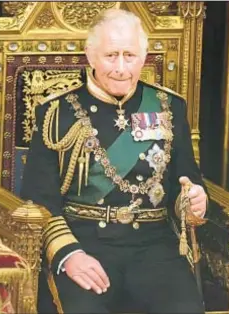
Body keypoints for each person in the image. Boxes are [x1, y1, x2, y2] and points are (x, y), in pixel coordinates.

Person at [21, 8, 208, 314]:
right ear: (90, 55)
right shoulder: (57, 112)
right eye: (110, 55)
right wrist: (69, 254)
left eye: (130, 56)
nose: (121, 68)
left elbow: (186, 179)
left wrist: (193, 201)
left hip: (154, 248)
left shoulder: (169, 106)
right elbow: (38, 199)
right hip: (86, 243)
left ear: (144, 56)